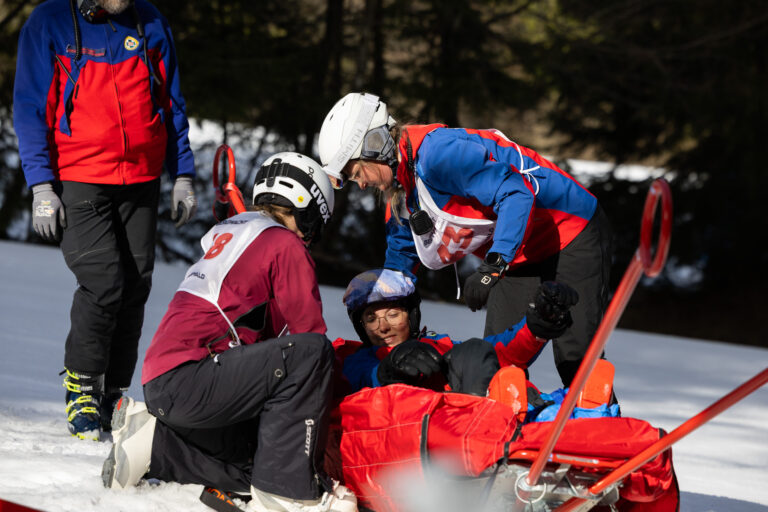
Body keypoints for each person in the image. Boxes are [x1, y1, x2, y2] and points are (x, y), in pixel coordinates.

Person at [101, 152, 357, 512]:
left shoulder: (234, 232)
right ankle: (289, 493)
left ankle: (155, 445)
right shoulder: (285, 244)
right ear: (307, 207)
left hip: (166, 381)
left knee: (266, 456)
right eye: (314, 224)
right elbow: (306, 340)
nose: (310, 236)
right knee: (314, 353)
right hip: (195, 377)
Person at [318, 92, 613, 388]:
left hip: (571, 230)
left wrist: (491, 268)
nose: (362, 183)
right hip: (520, 251)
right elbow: (398, 267)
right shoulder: (403, 194)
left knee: (575, 360)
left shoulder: (439, 155)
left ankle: (603, 428)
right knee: (494, 367)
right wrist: (378, 315)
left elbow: (516, 193)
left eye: (357, 172)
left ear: (375, 145)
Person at [13, 0, 198, 440]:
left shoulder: (149, 20)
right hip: (79, 177)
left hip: (141, 178)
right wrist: (41, 185)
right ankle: (81, 386)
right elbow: (29, 106)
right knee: (103, 282)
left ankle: (113, 393)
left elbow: (171, 102)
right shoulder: (50, 21)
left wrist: (183, 174)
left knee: (136, 286)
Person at [336, 268, 578, 396]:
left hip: (463, 423)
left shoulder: (436, 345)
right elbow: (351, 382)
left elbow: (499, 353)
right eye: (371, 319)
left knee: (476, 350)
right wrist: (387, 370)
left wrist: (537, 325)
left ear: (411, 316)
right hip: (409, 441)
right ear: (361, 327)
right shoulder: (354, 359)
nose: (383, 327)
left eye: (392, 314)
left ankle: (577, 413)